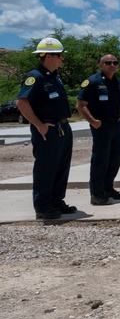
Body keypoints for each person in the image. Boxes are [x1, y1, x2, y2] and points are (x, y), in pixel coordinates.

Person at [15, 37, 76, 220]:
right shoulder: (36, 76)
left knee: (61, 167)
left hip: (62, 126)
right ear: (48, 56)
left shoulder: (54, 76)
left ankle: (56, 201)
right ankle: (43, 206)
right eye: (60, 56)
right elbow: (21, 102)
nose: (62, 59)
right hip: (47, 128)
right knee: (46, 167)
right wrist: (38, 125)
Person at [76, 54, 120, 206]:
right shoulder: (92, 82)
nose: (112, 65)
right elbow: (81, 105)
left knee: (115, 159)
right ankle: (97, 194)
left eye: (115, 62)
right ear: (100, 65)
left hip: (118, 125)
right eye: (108, 62)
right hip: (102, 126)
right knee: (100, 160)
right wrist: (93, 122)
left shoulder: (119, 83)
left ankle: (108, 188)